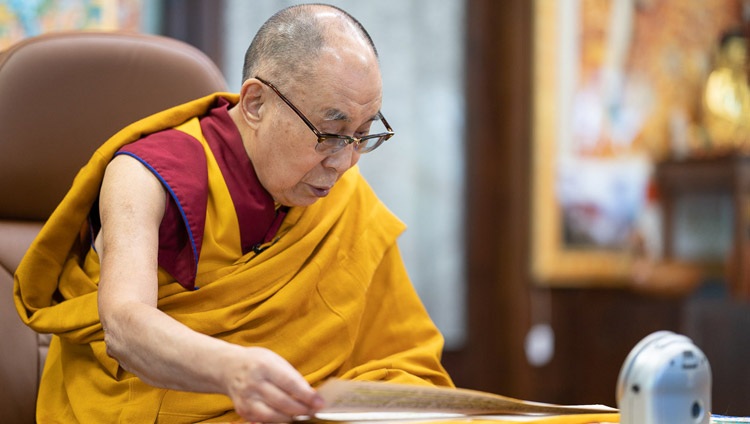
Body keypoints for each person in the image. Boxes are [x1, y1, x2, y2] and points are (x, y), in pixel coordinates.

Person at [13, 4, 453, 423]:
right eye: (331, 133)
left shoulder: (341, 195)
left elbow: (396, 357)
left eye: (363, 134)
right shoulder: (144, 177)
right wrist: (232, 371)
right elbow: (125, 326)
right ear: (256, 103)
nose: (344, 162)